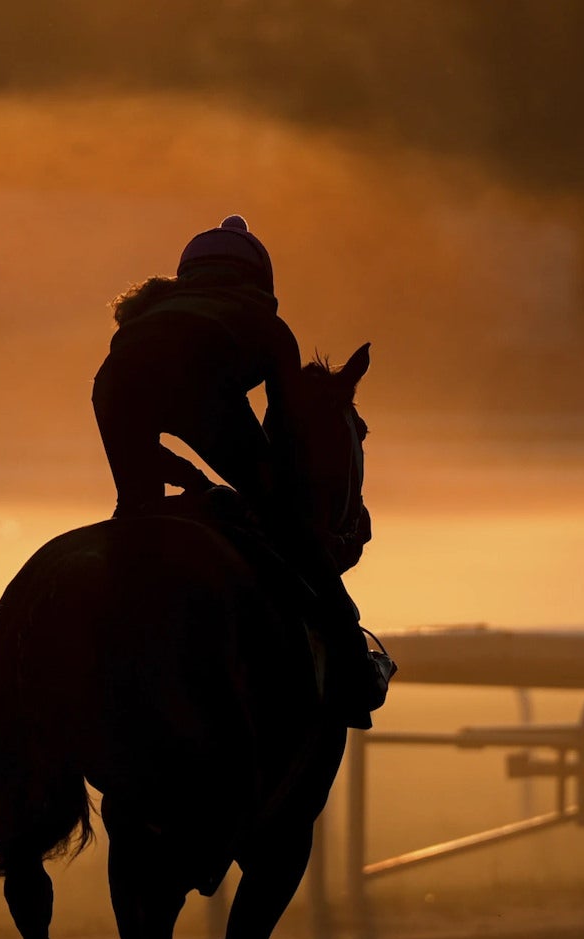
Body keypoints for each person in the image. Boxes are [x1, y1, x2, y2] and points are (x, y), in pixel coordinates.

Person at [90, 215, 386, 728]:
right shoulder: (268, 327)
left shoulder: (150, 317)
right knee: (287, 530)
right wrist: (297, 517)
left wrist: (193, 480)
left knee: (134, 518)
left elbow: (144, 435)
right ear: (259, 281)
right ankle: (354, 671)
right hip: (199, 391)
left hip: (111, 387)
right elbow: (288, 436)